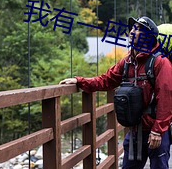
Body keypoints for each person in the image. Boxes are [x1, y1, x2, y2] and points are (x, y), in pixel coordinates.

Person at [59, 16, 172, 169]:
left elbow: (166, 98)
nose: (132, 31)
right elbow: (106, 80)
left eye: (137, 29)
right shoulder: (127, 62)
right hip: (135, 130)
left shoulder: (160, 62)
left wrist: (158, 131)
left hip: (155, 130)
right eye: (132, 28)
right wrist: (80, 81)